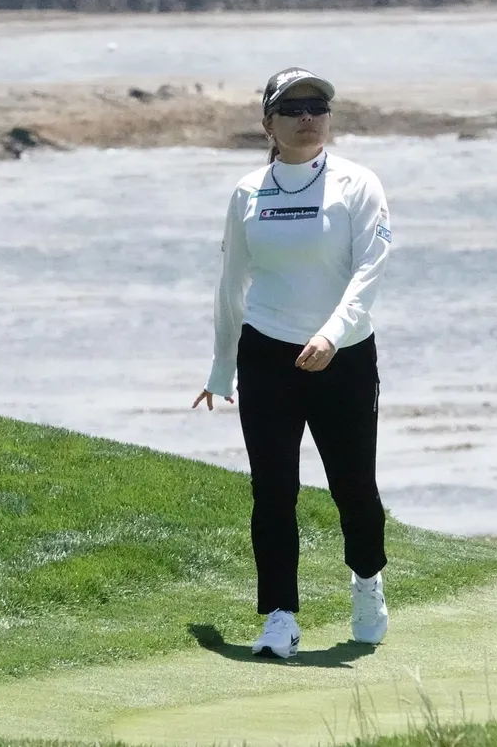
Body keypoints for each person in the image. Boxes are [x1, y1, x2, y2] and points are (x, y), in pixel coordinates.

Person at [192, 66, 393, 659]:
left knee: (354, 488)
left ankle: (366, 581)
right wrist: (221, 366)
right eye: (293, 109)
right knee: (273, 490)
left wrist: (331, 335)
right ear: (269, 125)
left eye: (317, 108)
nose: (308, 118)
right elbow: (232, 284)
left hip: (343, 356)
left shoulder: (358, 184)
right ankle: (280, 617)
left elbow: (369, 272)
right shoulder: (248, 192)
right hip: (267, 355)